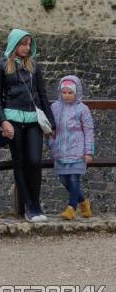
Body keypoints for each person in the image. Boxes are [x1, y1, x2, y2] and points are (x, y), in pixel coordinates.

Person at [0, 28, 55, 222]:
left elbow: (42, 95)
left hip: (33, 120)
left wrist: (51, 123)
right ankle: (29, 206)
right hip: (13, 120)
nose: (27, 48)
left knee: (35, 162)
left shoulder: (34, 66)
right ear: (14, 44)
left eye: (29, 44)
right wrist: (3, 121)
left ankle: (36, 204)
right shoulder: (0, 65)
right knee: (19, 163)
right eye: (23, 44)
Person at [48, 75, 94, 219]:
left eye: (70, 93)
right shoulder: (54, 107)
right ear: (60, 92)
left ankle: (71, 208)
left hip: (77, 151)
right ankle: (83, 202)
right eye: (64, 92)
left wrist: (88, 152)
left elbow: (88, 130)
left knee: (74, 179)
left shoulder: (82, 109)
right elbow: (51, 127)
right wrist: (51, 142)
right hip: (61, 150)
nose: (67, 96)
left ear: (76, 92)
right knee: (63, 179)